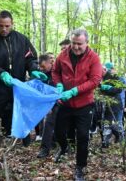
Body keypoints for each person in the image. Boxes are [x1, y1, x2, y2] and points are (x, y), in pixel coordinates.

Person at [0, 10, 47, 169]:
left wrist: (34, 69)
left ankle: (23, 134)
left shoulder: (22, 39)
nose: (4, 29)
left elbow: (30, 58)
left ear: (12, 24)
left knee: (22, 112)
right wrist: (1, 74)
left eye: (7, 26)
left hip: (18, 87)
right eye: (0, 26)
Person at [52, 29, 102, 181]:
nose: (76, 46)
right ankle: (64, 147)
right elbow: (55, 71)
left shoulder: (94, 58)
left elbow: (95, 80)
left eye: (79, 44)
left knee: (82, 136)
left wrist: (75, 91)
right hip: (65, 102)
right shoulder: (63, 55)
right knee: (59, 132)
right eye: (73, 43)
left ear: (86, 42)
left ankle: (80, 167)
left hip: (84, 104)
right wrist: (59, 85)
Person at [37, 54, 58, 158]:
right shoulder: (42, 74)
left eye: (43, 67)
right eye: (40, 67)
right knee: (48, 123)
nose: (41, 69)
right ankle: (44, 149)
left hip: (62, 101)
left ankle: (62, 145)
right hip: (50, 103)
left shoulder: (58, 71)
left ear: (50, 63)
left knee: (63, 125)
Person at [100, 64, 123, 148]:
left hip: (115, 104)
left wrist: (108, 88)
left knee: (117, 124)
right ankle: (105, 143)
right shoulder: (98, 77)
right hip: (103, 105)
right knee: (106, 124)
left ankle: (119, 138)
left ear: (104, 70)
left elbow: (119, 89)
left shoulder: (113, 76)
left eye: (100, 71)